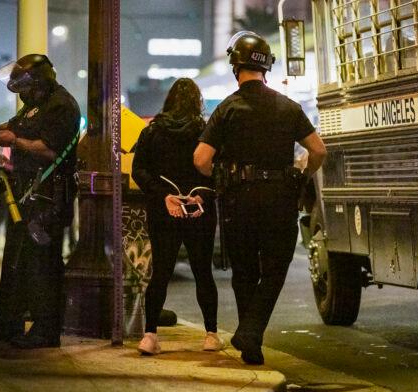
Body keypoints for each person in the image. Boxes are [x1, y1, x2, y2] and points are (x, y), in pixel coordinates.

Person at [193, 32, 327, 365]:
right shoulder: (289, 107)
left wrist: (222, 176)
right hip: (280, 197)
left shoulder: (226, 110)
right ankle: (251, 333)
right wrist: (303, 174)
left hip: (238, 199)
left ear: (235, 67)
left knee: (244, 271)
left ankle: (250, 339)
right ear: (267, 66)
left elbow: (200, 159)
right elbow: (318, 150)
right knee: (275, 269)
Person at [0, 54, 80, 349]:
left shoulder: (62, 106)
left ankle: (45, 330)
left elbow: (51, 151)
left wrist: (12, 142)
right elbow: (16, 126)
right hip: (25, 193)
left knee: (42, 264)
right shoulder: (36, 105)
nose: (22, 93)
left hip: (50, 196)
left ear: (39, 83)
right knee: (15, 260)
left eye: (25, 87)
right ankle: (7, 321)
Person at [132, 78, 223, 355]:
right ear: (197, 102)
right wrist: (201, 195)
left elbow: (139, 170)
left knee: (160, 272)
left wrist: (164, 195)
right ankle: (210, 335)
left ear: (169, 100)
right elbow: (217, 170)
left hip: (164, 211)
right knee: (202, 271)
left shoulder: (153, 132)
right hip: (199, 210)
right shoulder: (206, 132)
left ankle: (149, 336)